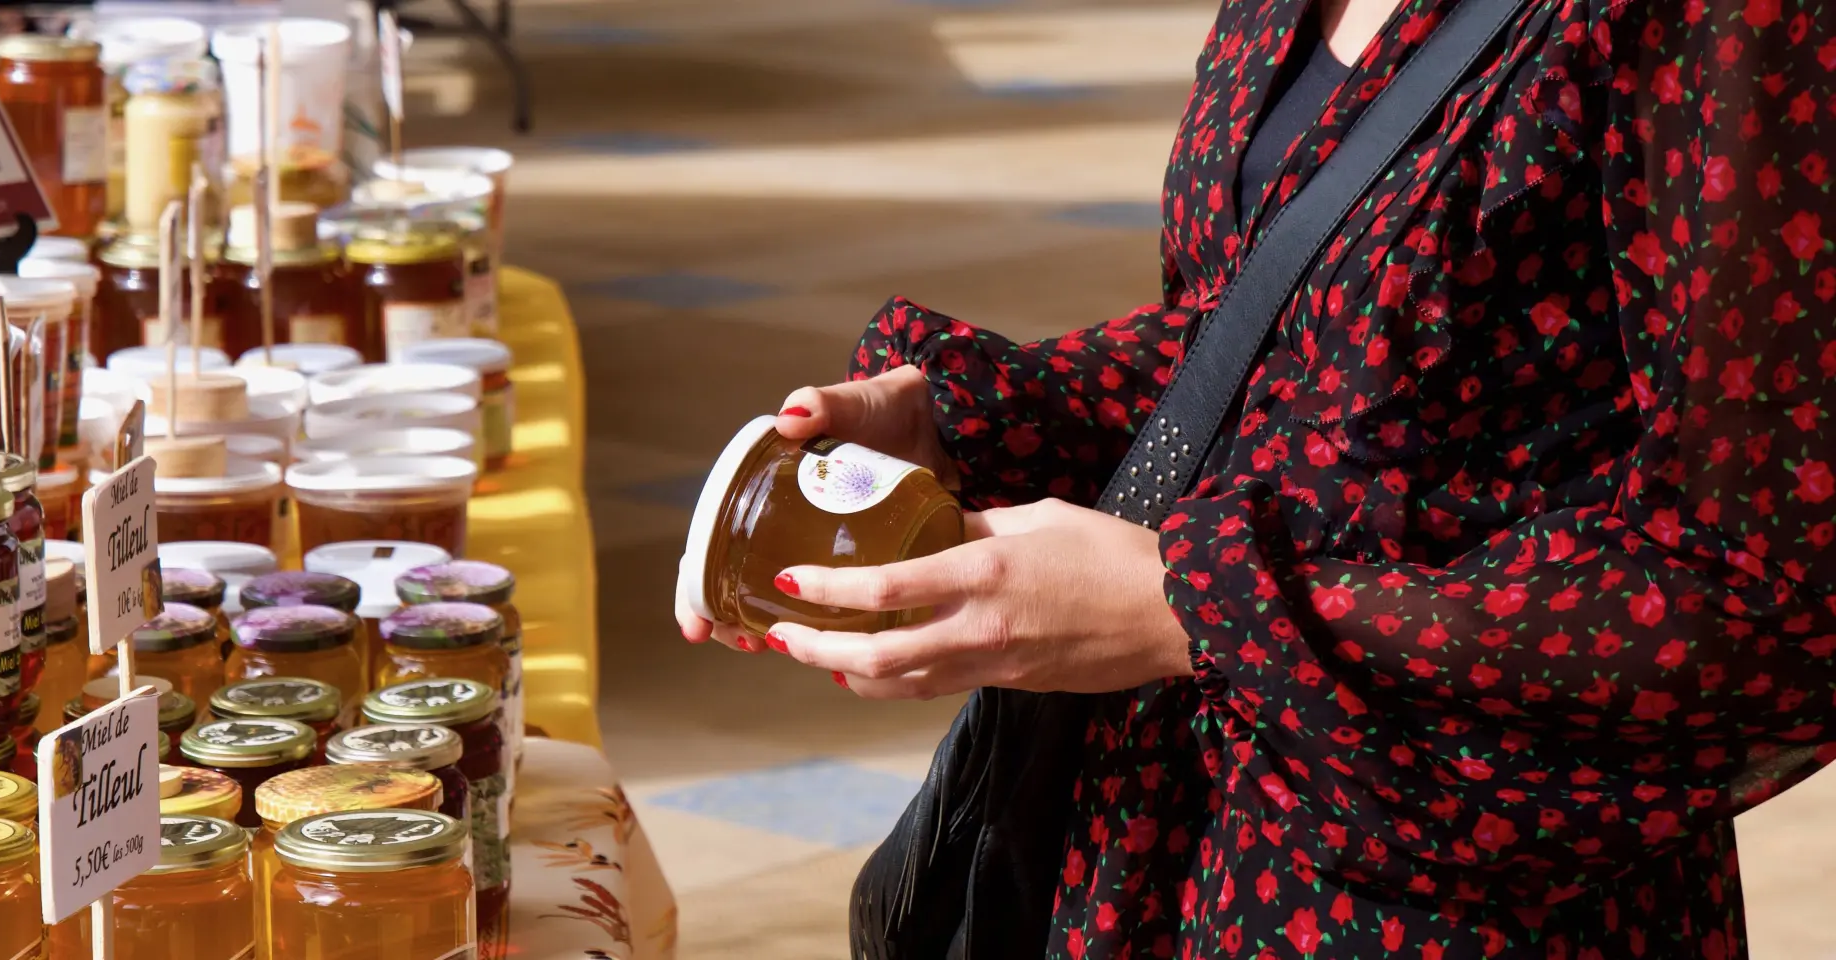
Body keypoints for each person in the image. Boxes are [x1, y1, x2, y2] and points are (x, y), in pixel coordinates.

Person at [678, 0, 1836, 954]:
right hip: (1160, 848)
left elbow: (1773, 593)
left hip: (1445, 891)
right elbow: (1270, 339)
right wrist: (970, 415)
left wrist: (1195, 610)